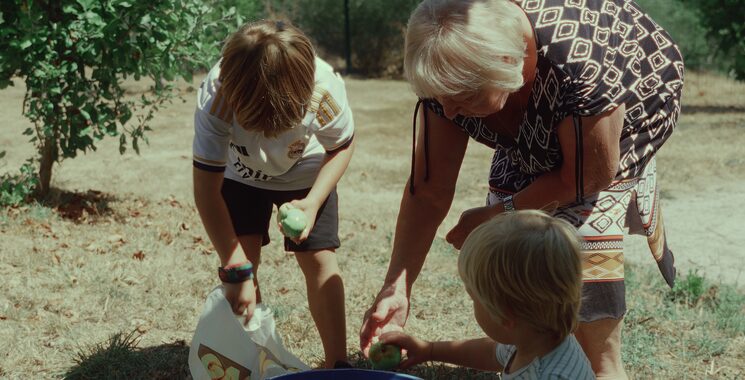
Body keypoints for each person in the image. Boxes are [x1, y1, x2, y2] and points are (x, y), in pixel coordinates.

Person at [360, 0, 683, 378]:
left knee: (583, 267)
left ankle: (599, 366)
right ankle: (535, 352)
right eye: (438, 98)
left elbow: (586, 176)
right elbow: (429, 189)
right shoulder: (451, 68)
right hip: (531, 118)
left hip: (615, 125)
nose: (446, 112)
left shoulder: (577, 63)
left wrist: (499, 213)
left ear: (508, 64)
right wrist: (397, 286)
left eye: (461, 96)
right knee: (514, 266)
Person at [192, 20, 355, 368]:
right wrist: (237, 271)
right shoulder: (216, 99)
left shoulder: (323, 91)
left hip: (306, 169)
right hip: (240, 174)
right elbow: (207, 193)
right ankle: (257, 358)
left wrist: (312, 204)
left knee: (318, 259)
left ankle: (338, 364)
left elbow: (341, 147)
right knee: (244, 255)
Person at [380, 211, 595, 379]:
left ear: (505, 316)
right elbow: (491, 353)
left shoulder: (548, 375)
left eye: (474, 299)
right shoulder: (534, 338)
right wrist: (430, 350)